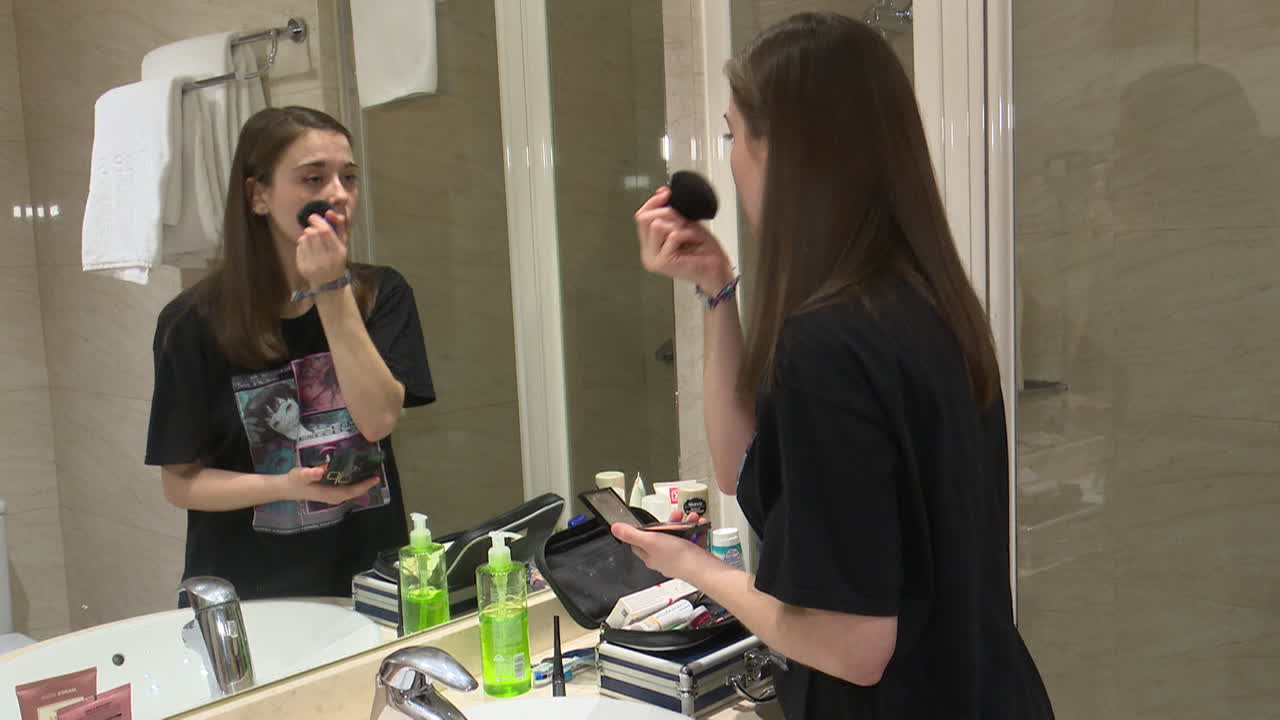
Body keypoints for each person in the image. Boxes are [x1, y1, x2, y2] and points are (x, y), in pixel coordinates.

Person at [615, 13, 1054, 719]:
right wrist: (718, 290)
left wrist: (694, 569)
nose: (728, 157)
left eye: (733, 134)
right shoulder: (924, 302)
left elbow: (853, 645)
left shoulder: (827, 344)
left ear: (785, 151)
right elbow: (743, 469)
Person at [145, 106, 434, 601]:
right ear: (258, 195)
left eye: (348, 177)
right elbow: (181, 485)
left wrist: (331, 288)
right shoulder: (191, 323)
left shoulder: (381, 294)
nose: (338, 194)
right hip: (246, 601)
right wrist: (285, 487)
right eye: (313, 178)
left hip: (367, 587)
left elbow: (378, 420)